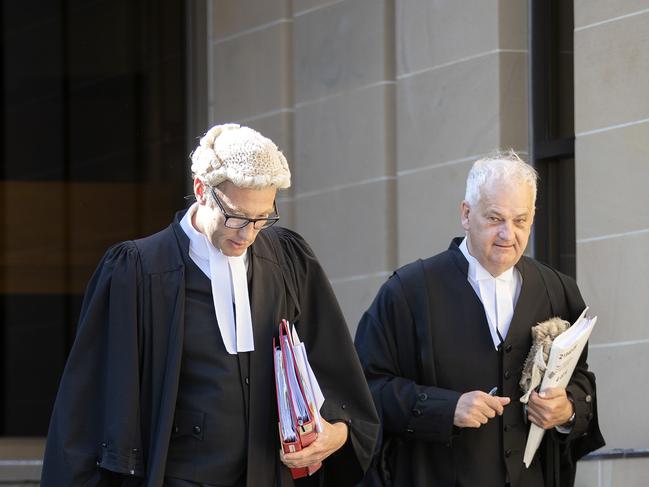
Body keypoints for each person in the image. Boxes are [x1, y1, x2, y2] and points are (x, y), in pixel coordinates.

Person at [41, 124, 379, 487]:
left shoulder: (288, 259)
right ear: (202, 190)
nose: (247, 234)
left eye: (262, 218)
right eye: (236, 217)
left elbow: (337, 375)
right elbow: (89, 408)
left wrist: (337, 432)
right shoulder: (137, 270)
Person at [354, 151, 604, 487]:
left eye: (520, 220)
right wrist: (445, 408)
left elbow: (582, 381)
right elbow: (366, 388)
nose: (508, 234)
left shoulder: (558, 290)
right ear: (466, 214)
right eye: (495, 218)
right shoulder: (408, 292)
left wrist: (568, 410)